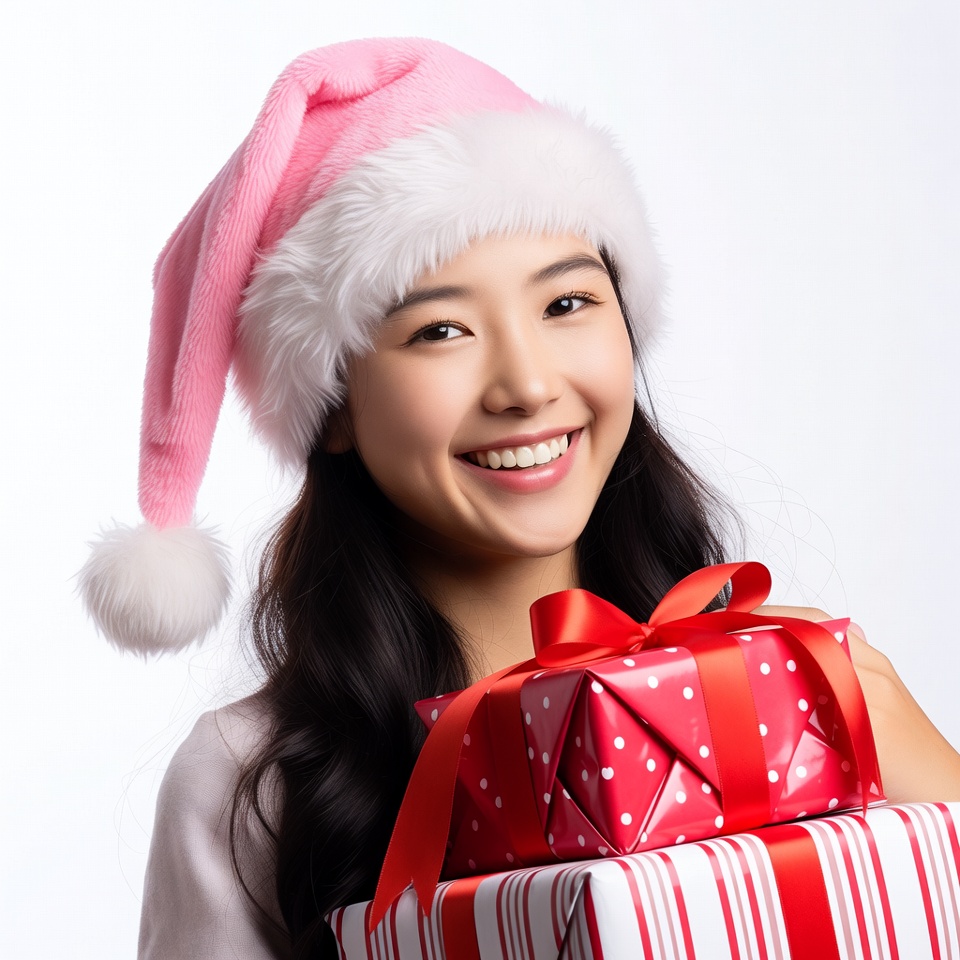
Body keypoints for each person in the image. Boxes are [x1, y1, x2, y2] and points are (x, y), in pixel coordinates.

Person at [79, 38, 960, 960]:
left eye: (568, 304)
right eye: (441, 329)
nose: (527, 385)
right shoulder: (252, 781)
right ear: (335, 407)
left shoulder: (795, 680)